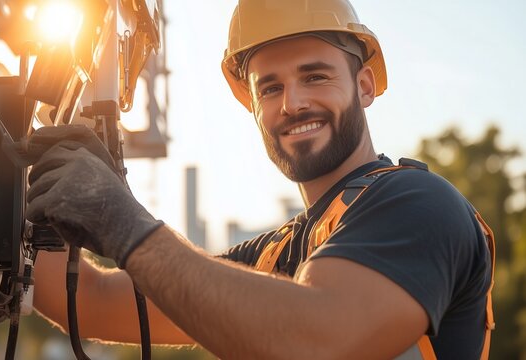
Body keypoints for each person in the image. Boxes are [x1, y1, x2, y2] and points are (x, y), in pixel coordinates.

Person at [28, 0, 494, 358]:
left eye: (315, 77)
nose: (291, 103)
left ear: (365, 85)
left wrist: (123, 221)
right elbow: (89, 301)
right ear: (253, 106)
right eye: (270, 87)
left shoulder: (418, 204)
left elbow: (315, 340)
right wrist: (35, 180)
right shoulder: (280, 253)